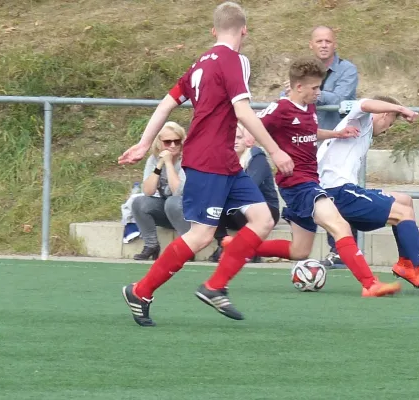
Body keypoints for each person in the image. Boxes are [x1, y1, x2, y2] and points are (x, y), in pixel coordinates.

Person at [118, 1, 294, 327]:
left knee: (262, 218)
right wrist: (275, 150)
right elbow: (243, 112)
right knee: (200, 236)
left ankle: (215, 286)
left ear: (213, 30)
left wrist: (145, 143)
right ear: (244, 29)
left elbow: (166, 105)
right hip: (208, 159)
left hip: (224, 160)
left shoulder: (200, 64)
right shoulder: (236, 60)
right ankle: (140, 291)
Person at [228, 57, 402, 297]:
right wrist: (258, 142)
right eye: (315, 88)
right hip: (299, 183)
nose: (319, 92)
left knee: (299, 250)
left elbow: (309, 132)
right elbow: (252, 122)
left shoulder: (308, 107)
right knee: (340, 226)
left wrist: (337, 134)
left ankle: (238, 246)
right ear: (298, 87)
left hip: (307, 182)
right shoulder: (281, 108)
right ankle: (370, 284)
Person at [316, 97, 419, 292]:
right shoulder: (362, 119)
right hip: (339, 192)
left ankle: (405, 264)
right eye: (390, 124)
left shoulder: (361, 129)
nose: (387, 129)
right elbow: (366, 103)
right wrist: (401, 108)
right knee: (401, 213)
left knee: (404, 201)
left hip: (343, 191)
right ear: (383, 114)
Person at [283, 26, 360, 268]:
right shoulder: (303, 70)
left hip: (337, 141)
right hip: (305, 143)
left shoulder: (347, 69)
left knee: (338, 194)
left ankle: (341, 251)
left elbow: (340, 99)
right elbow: (288, 96)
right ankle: (300, 246)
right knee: (307, 192)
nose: (324, 45)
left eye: (328, 40)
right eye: (319, 41)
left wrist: (312, 93)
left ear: (335, 43)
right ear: (311, 45)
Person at [208, 123, 280, 263]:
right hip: (236, 211)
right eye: (230, 137)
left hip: (265, 210)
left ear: (245, 141)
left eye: (239, 137)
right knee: (210, 206)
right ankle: (223, 244)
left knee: (238, 205)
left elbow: (250, 187)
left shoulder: (257, 158)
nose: (234, 141)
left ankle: (251, 248)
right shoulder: (222, 159)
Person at [131, 122, 190, 260]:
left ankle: (187, 245)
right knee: (138, 203)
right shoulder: (153, 159)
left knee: (172, 201)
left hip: (188, 210)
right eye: (168, 142)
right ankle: (151, 245)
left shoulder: (188, 159)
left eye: (177, 141)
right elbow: (148, 191)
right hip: (168, 209)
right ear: (159, 143)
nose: (173, 145)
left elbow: (178, 192)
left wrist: (169, 164)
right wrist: (159, 165)